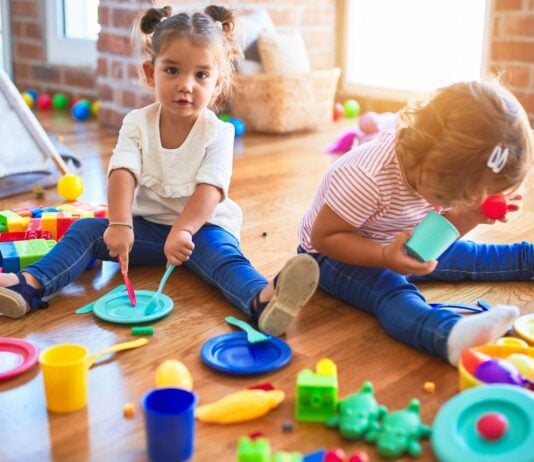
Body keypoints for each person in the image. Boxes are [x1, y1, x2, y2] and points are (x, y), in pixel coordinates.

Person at [0, 5, 319, 336]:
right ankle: (29, 285)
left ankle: (262, 301)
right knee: (85, 232)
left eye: (201, 75)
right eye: (172, 71)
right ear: (150, 72)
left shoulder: (219, 133)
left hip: (201, 231)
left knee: (225, 259)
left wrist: (183, 230)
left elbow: (209, 190)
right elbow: (122, 172)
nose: (186, 85)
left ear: (217, 82)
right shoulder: (137, 123)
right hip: (146, 230)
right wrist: (121, 225)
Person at [298, 79, 534, 365]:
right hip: (333, 255)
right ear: (431, 167)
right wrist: (384, 256)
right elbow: (324, 237)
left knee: (472, 256)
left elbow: (441, 229)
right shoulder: (366, 177)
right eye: (456, 196)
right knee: (391, 290)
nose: (458, 203)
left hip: (399, 239)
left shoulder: (436, 168)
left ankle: (528, 259)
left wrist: (472, 215)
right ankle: (448, 335)